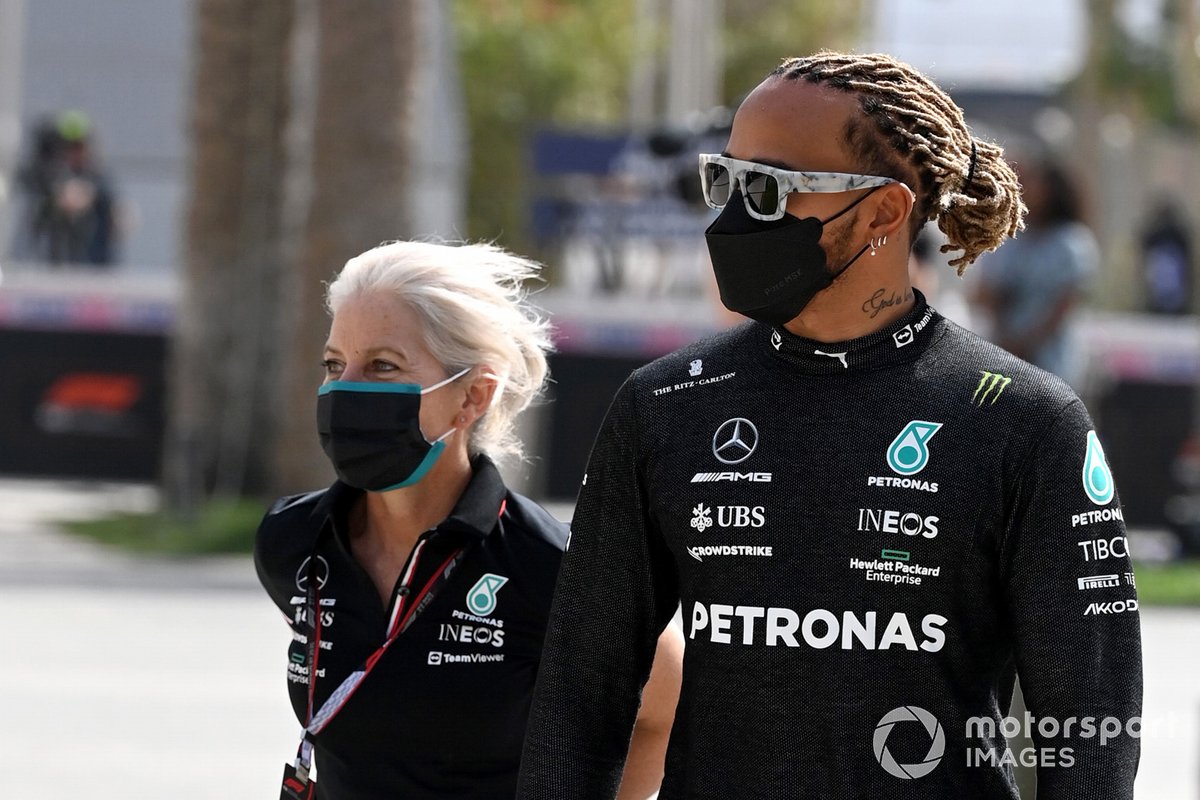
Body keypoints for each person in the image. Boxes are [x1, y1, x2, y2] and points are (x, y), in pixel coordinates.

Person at [518, 52, 1141, 799]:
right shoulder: (664, 406)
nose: (737, 215)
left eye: (770, 188)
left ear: (884, 211)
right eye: (728, 180)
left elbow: (1090, 726)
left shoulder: (1025, 421)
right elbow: (577, 700)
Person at [255, 240, 683, 800]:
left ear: (472, 396)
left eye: (383, 366)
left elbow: (662, 709)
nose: (346, 388)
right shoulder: (292, 541)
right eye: (336, 364)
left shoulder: (551, 567)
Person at [972, 154, 1098, 387]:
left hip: (1050, 358)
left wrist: (1027, 344)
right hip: (1004, 352)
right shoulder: (1012, 238)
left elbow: (1066, 304)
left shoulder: (1071, 243)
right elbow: (985, 293)